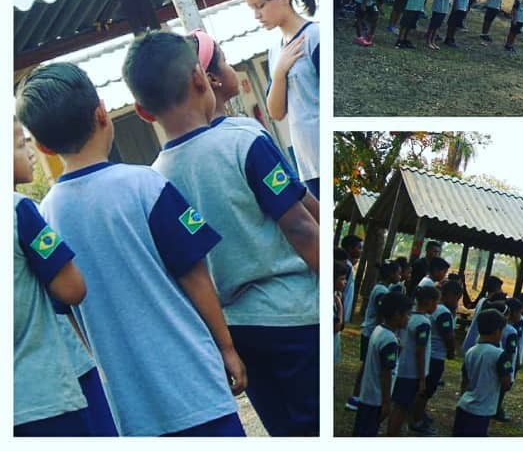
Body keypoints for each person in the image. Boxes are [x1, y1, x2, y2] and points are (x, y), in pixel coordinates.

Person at [16, 63, 246, 437]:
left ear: (42, 146)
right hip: (195, 383)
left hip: (130, 406)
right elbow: (195, 275)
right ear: (101, 113)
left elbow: (68, 311)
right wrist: (227, 347)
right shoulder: (145, 184)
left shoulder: (46, 216)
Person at [123, 32, 319, 436]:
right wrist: (331, 277)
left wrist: (223, 343)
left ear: (142, 112)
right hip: (294, 314)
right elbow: (300, 225)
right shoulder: (242, 139)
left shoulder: (154, 180)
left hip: (237, 329)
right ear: (200, 78)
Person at [14, 118, 118, 437]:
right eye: (19, 144)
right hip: (53, 387)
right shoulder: (21, 212)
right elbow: (73, 289)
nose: (30, 152)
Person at [243, 0, 320, 199]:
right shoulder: (275, 51)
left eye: (261, 5)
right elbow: (276, 112)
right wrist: (279, 73)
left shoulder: (315, 36)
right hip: (307, 161)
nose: (257, 15)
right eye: (252, 9)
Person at [353, 290, 410, 437]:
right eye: (406, 314)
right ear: (397, 314)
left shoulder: (378, 330)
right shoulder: (389, 340)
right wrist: (386, 402)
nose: (408, 318)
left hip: (368, 393)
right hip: (376, 398)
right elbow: (386, 373)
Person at [453, 307, 515, 437]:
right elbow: (506, 383)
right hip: (482, 410)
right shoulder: (499, 354)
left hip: (464, 405)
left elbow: (465, 380)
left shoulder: (471, 351)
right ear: (497, 331)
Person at [412, 278, 461, 434]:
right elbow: (448, 335)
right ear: (450, 295)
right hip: (435, 356)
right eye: (456, 298)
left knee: (426, 389)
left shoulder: (438, 309)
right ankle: (416, 420)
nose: (457, 302)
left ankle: (419, 415)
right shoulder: (443, 312)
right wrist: (451, 351)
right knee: (426, 390)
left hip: (432, 354)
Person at [389, 284, 437, 437]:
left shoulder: (409, 317)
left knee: (399, 406)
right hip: (411, 372)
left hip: (402, 367)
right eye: (436, 302)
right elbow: (420, 351)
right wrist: (422, 378)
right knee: (402, 407)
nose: (436, 306)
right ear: (429, 302)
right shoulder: (423, 323)